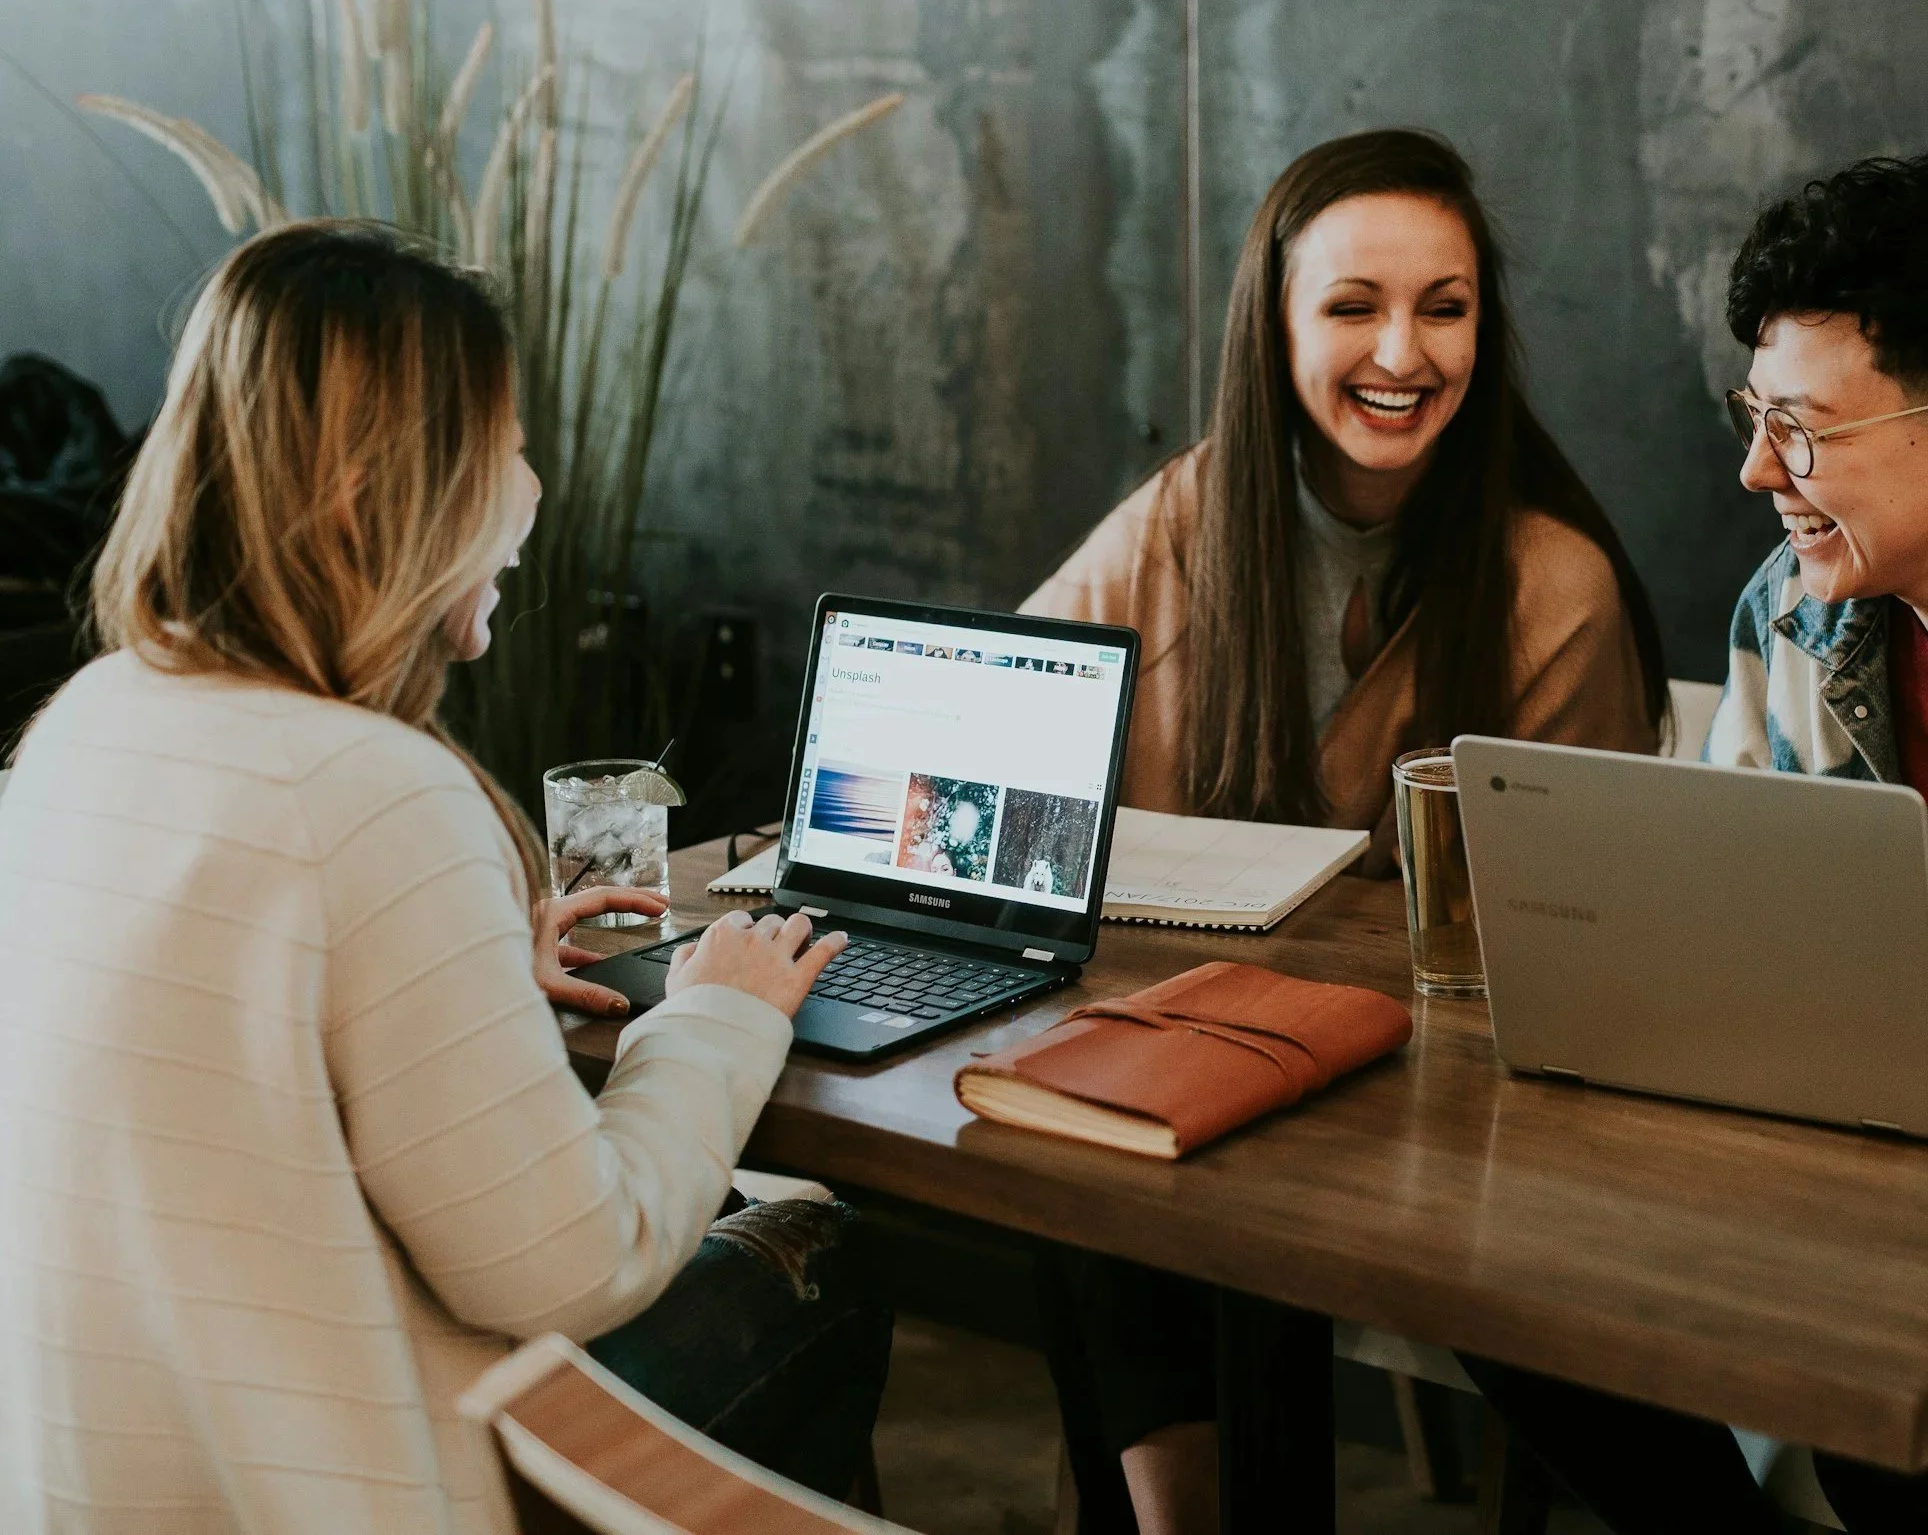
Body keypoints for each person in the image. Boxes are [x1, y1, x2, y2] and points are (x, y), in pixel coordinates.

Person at [0, 222, 889, 1534]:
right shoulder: (374, 792)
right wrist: (720, 1012)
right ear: (381, 489)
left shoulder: (85, 722)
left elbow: (209, 1055)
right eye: (507, 445)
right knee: (825, 1256)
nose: (530, 487)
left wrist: (466, 958)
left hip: (107, 1488)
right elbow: (570, 1265)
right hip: (337, 1493)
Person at [1020, 128, 1670, 1535]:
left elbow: (1576, 939)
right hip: (1195, 1066)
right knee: (1076, 1144)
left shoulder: (1551, 583)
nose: (1405, 351)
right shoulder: (1190, 513)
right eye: (1354, 305)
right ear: (1277, 325)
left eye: (1445, 307)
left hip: (1441, 1115)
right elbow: (1016, 708)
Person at [1465, 156, 1928, 1532]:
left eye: (1801, 426)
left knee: (1877, 1439)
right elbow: (1731, 956)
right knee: (1506, 1291)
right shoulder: (1791, 613)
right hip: (1833, 1173)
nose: (1753, 469)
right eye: (1753, 416)